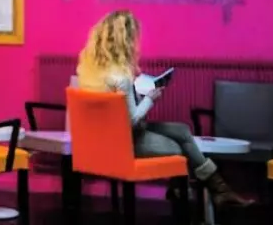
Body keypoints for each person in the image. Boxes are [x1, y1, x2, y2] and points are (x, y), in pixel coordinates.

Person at [76, 10, 252, 209]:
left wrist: (135, 91)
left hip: (105, 139)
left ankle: (216, 190)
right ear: (125, 42)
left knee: (182, 130)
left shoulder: (90, 71)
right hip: (124, 143)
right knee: (180, 151)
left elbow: (117, 112)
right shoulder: (121, 77)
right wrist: (150, 98)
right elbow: (131, 120)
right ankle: (192, 194)